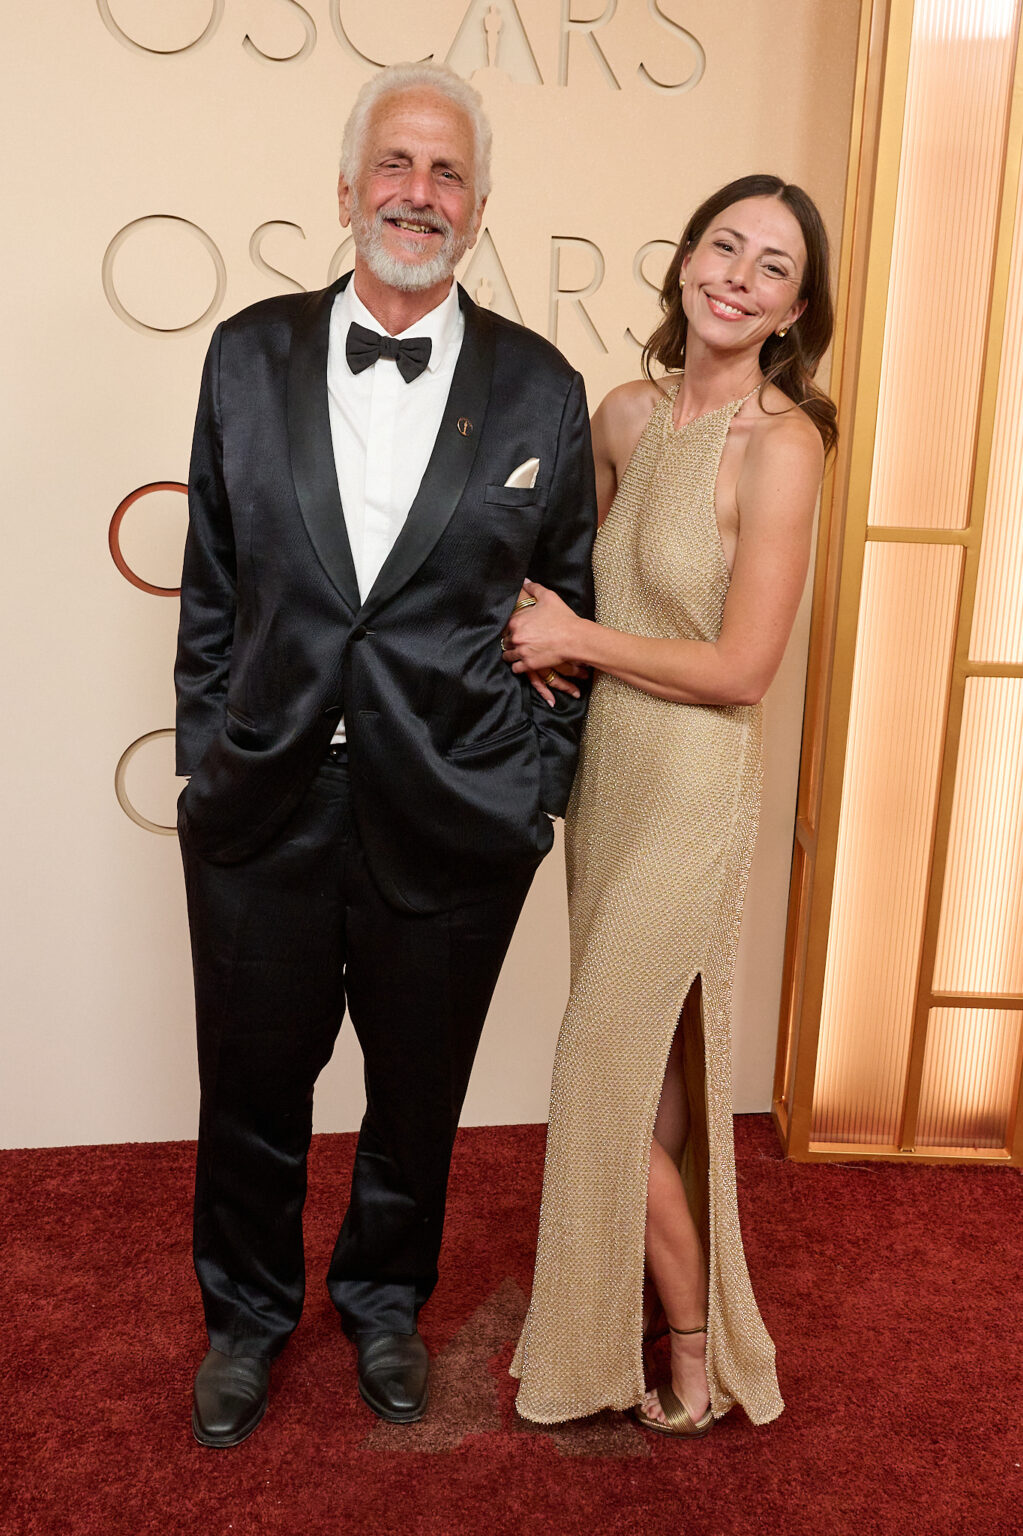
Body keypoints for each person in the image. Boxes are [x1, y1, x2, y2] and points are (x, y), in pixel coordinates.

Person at [175, 60, 596, 1447]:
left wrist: (533, 792)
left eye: (447, 173)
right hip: (267, 793)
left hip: (456, 803)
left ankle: (381, 1304)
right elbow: (214, 578)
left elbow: (568, 606)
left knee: (416, 1092)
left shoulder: (541, 387)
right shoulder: (247, 353)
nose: (418, 193)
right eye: (396, 166)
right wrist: (205, 754)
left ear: (479, 208)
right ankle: (244, 1315)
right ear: (348, 186)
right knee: (250, 1079)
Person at [504, 175, 837, 1435]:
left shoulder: (783, 444)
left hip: (697, 784)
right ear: (686, 259)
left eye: (772, 268)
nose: (737, 277)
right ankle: (633, 1319)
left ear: (795, 310)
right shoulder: (625, 417)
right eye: (723, 246)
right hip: (610, 778)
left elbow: (745, 668)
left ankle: (693, 1346)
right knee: (652, 1082)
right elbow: (564, 597)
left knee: (596, 1066)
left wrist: (579, 629)